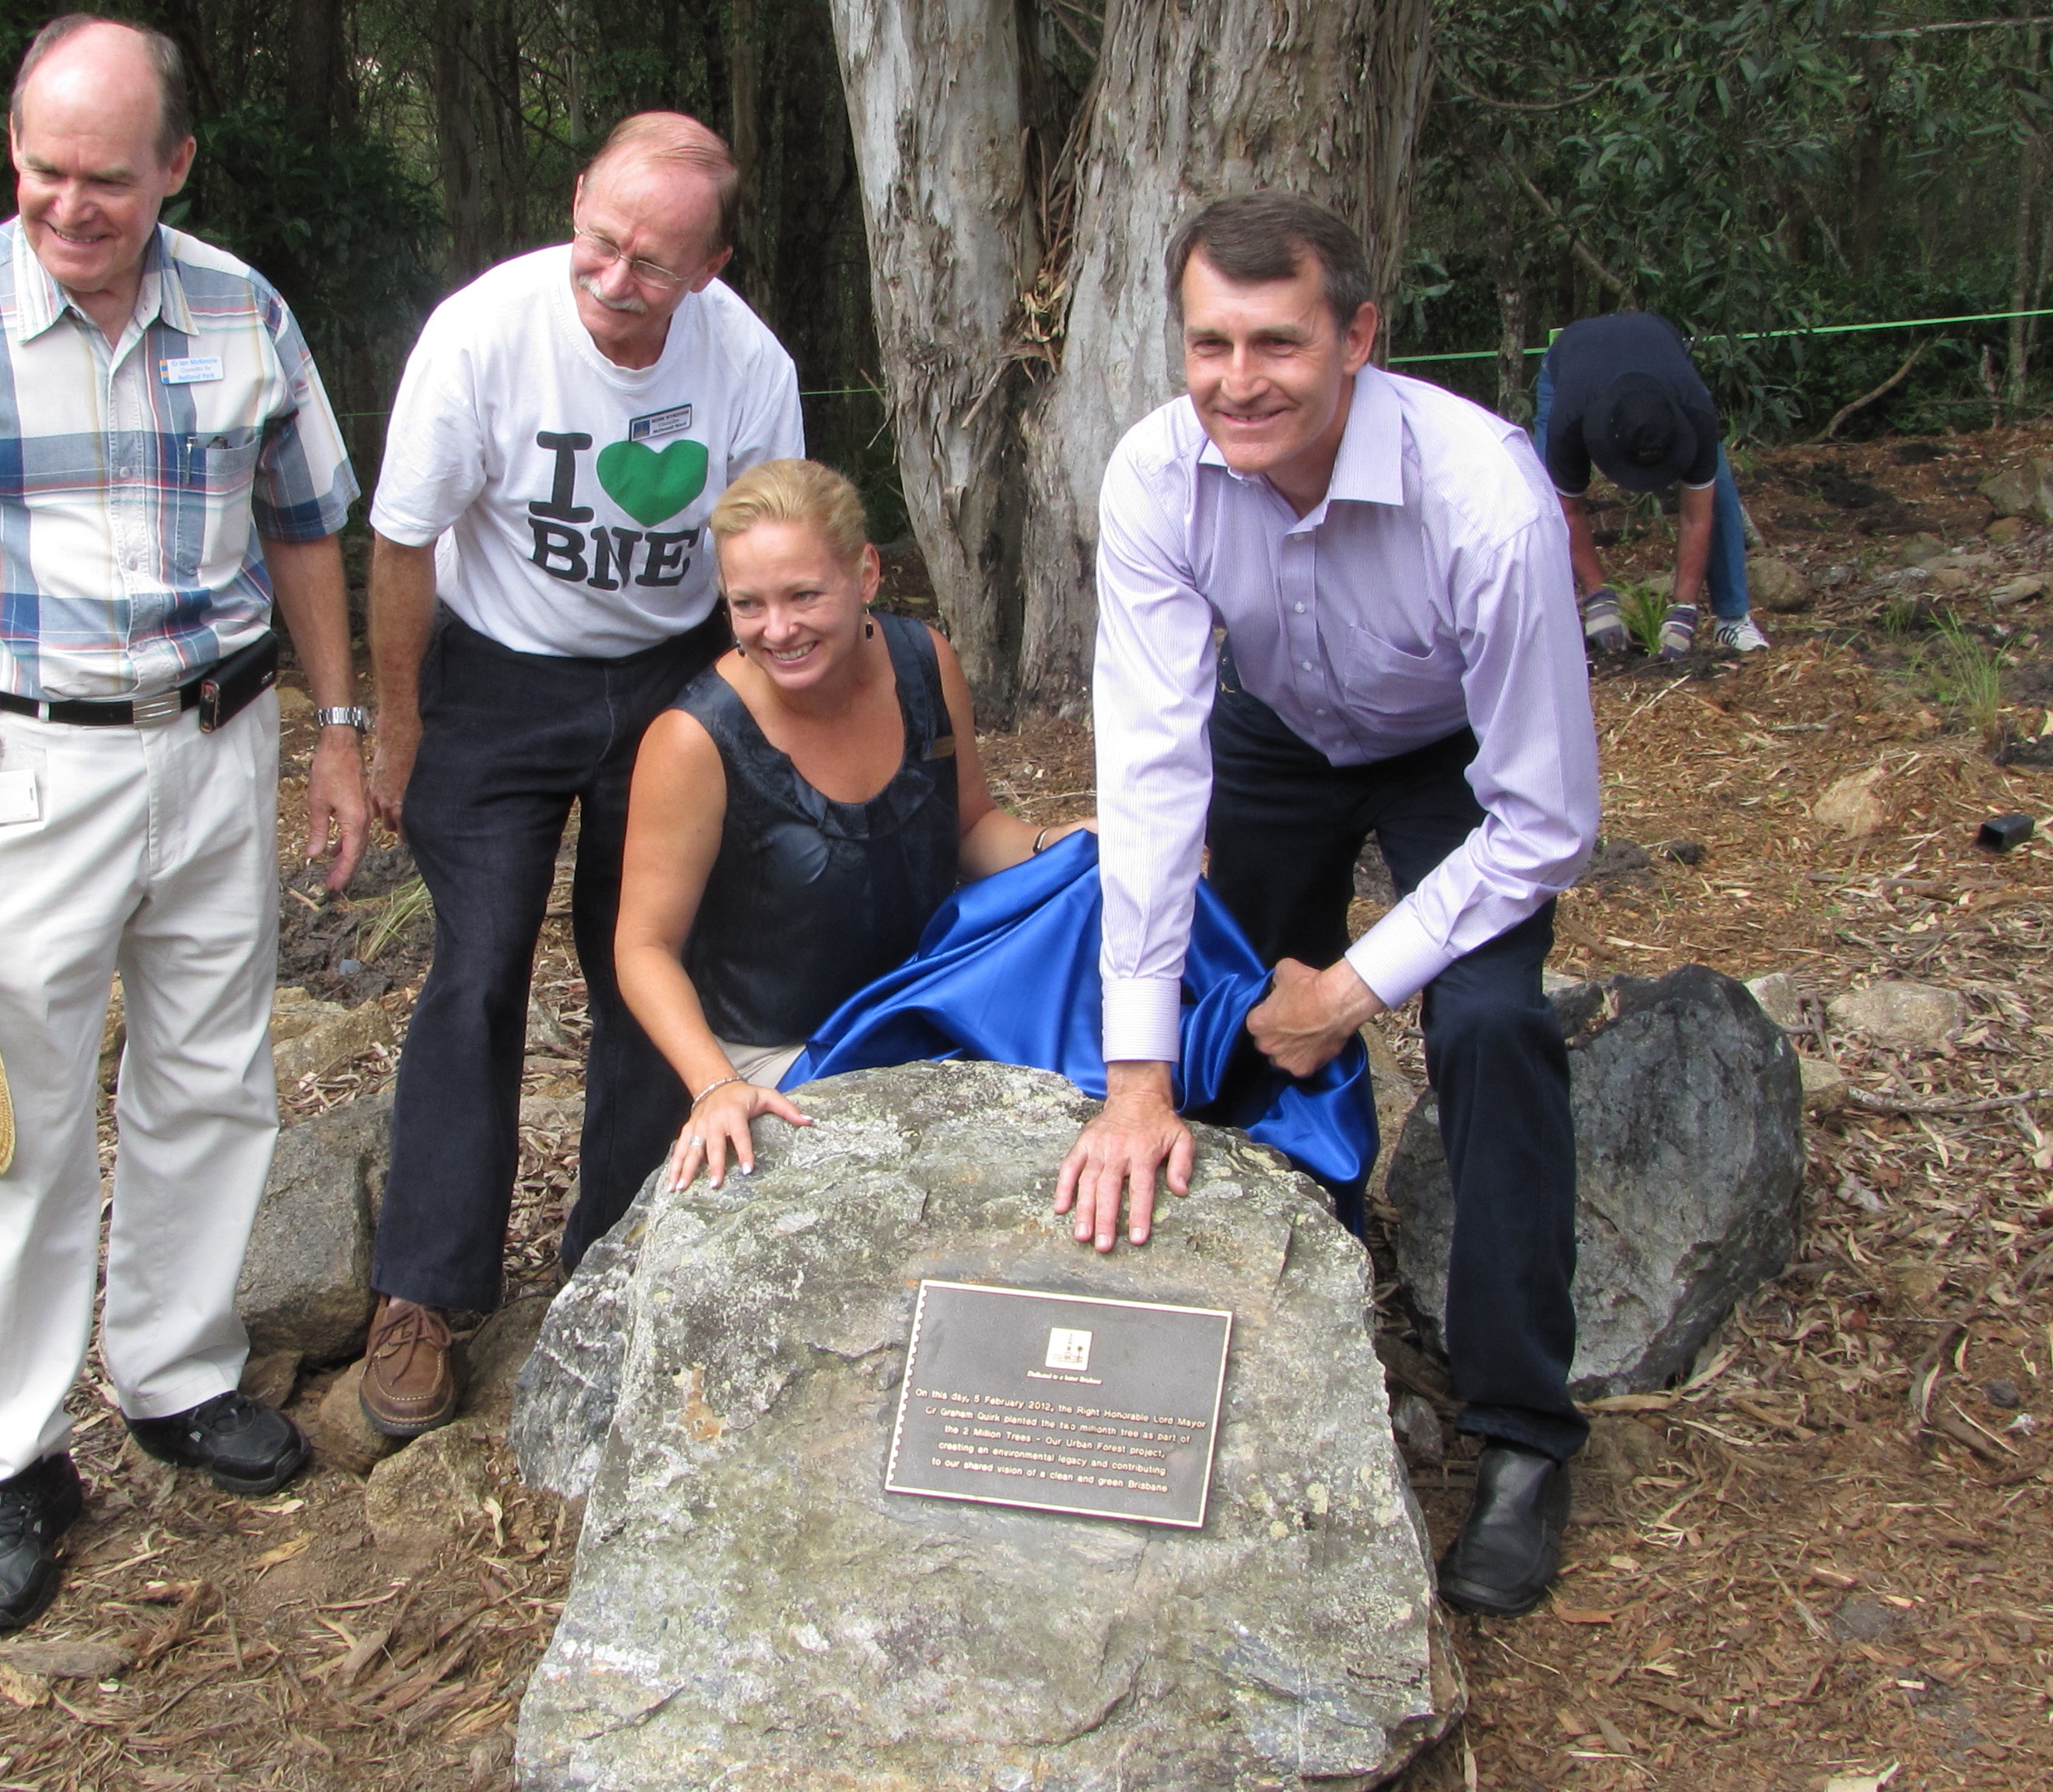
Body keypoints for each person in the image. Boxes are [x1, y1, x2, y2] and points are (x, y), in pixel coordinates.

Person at [0, 14, 369, 1632]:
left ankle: (175, 1376)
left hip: (218, 746)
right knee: (22, 1119)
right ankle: (14, 1462)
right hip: (24, 768)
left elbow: (305, 526)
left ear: (175, 165)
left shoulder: (242, 311)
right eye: (42, 170)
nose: (67, 204)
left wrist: (340, 731)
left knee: (211, 1075)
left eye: (105, 177)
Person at [1054, 192, 1599, 1618]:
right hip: (1276, 732)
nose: (1238, 382)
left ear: (1358, 336)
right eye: (1210, 344)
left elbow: (1546, 821)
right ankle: (1259, 1340)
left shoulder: (1485, 497)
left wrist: (1354, 990)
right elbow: (1150, 772)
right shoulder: (1156, 475)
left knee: (1486, 1024)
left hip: (1453, 757)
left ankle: (1521, 1433)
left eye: (1278, 344)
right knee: (1222, 1019)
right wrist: (1133, 1075)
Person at [358, 114, 802, 1438]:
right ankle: (425, 1289)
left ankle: (611, 1258)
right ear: (574, 206)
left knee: (646, 959)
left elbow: (770, 555)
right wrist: (394, 729)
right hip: (495, 669)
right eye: (600, 242)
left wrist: (755, 726)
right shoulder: (483, 336)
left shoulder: (749, 366)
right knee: (479, 960)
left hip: (667, 672)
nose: (615, 279)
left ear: (710, 267)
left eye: (653, 263)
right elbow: (404, 540)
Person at [615, 460, 1083, 1195]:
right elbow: (644, 947)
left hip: (933, 1005)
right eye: (748, 605)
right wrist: (715, 1084)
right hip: (782, 1054)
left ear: (865, 574)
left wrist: (1063, 846)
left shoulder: (924, 662)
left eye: (803, 595)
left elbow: (970, 828)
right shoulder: (692, 740)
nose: (778, 630)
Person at [1535, 312, 1768, 658]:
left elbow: (1697, 515)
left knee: (1716, 486)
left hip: (1663, 359)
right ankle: (1553, 627)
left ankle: (1733, 619)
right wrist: (1599, 596)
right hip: (1572, 362)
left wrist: (1684, 611)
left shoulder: (1694, 410)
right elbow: (1568, 510)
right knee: (1542, 498)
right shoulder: (1570, 416)